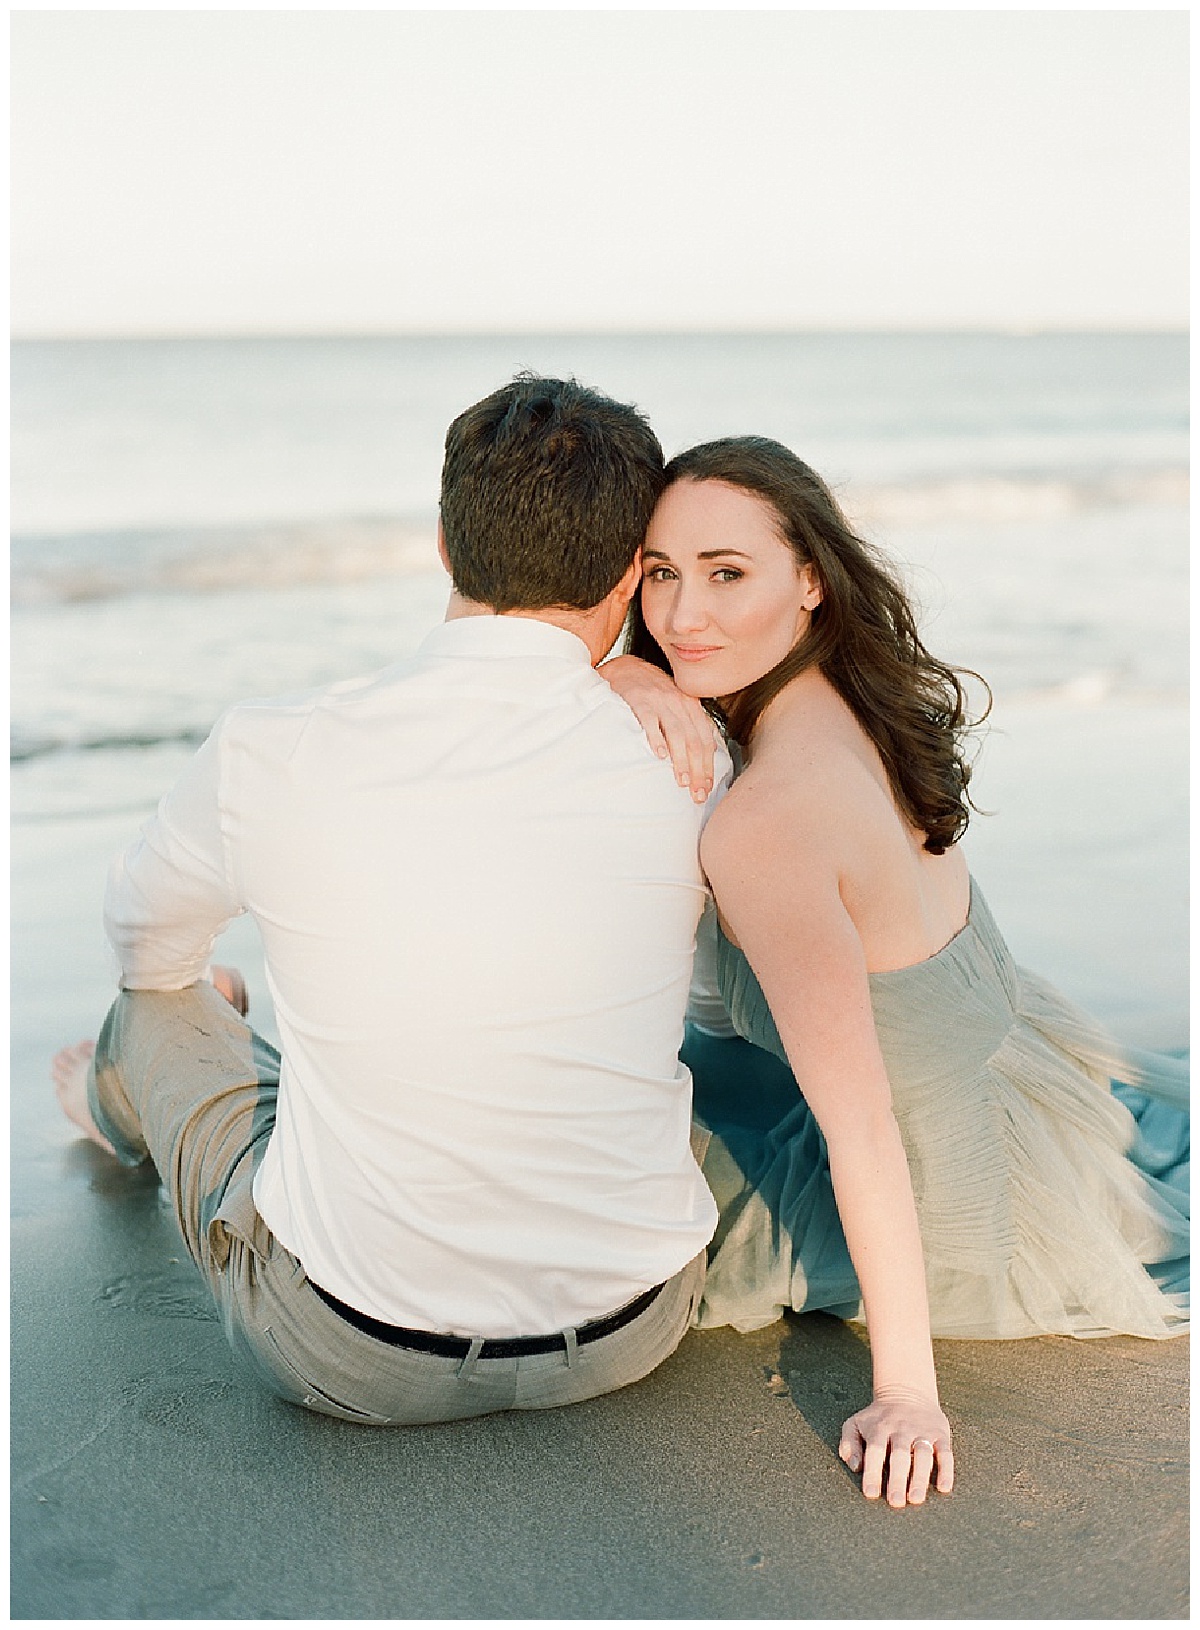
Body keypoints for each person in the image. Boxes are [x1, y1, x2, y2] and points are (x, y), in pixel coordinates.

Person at [50, 375, 729, 1428]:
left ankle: (108, 1106)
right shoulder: (693, 759)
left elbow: (143, 942)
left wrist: (188, 986)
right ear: (631, 578)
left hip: (350, 1354)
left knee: (157, 1003)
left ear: (448, 549)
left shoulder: (277, 747)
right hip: (633, 1328)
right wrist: (634, 675)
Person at [604, 434, 1189, 1509]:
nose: (684, 614)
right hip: (1019, 1094)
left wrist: (908, 1390)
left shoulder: (764, 824)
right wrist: (625, 664)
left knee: (586, 1200)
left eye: (727, 572)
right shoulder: (848, 697)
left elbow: (864, 1124)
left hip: (941, 1201)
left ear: (810, 580)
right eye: (658, 572)